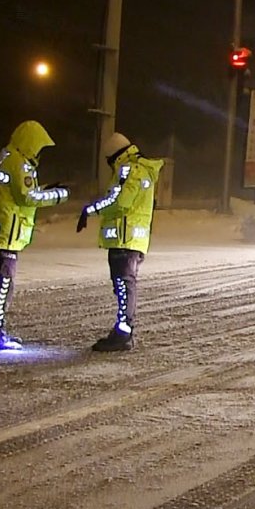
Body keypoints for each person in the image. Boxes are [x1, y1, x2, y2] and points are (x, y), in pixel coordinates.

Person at [0, 120, 70, 350]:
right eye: (39, 147)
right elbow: (27, 197)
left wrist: (41, 189)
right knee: (2, 284)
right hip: (5, 235)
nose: (39, 152)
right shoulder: (20, 163)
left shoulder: (5, 157)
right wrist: (58, 195)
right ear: (31, 143)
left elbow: (18, 192)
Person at [77, 132, 163, 352]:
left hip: (125, 238)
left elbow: (120, 201)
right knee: (124, 285)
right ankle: (122, 330)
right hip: (131, 239)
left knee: (124, 285)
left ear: (113, 156)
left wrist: (91, 209)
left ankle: (124, 333)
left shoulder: (129, 169)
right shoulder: (139, 168)